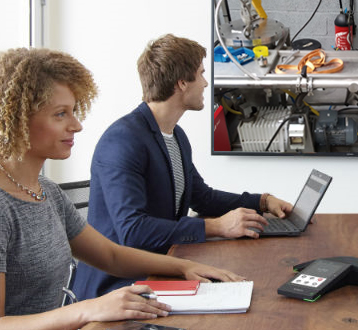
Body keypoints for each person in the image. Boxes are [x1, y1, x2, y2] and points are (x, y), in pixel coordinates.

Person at [0, 48, 241, 329]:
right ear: (17, 119)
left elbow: (111, 255)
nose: (76, 125)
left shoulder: (47, 192)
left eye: (74, 111)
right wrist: (87, 310)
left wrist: (183, 267)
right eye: (60, 114)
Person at [73, 34, 293, 300]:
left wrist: (262, 201)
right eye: (200, 74)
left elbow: (202, 197)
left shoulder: (175, 135)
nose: (205, 82)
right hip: (118, 288)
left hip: (162, 268)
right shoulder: (122, 141)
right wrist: (217, 227)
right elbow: (133, 231)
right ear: (181, 83)